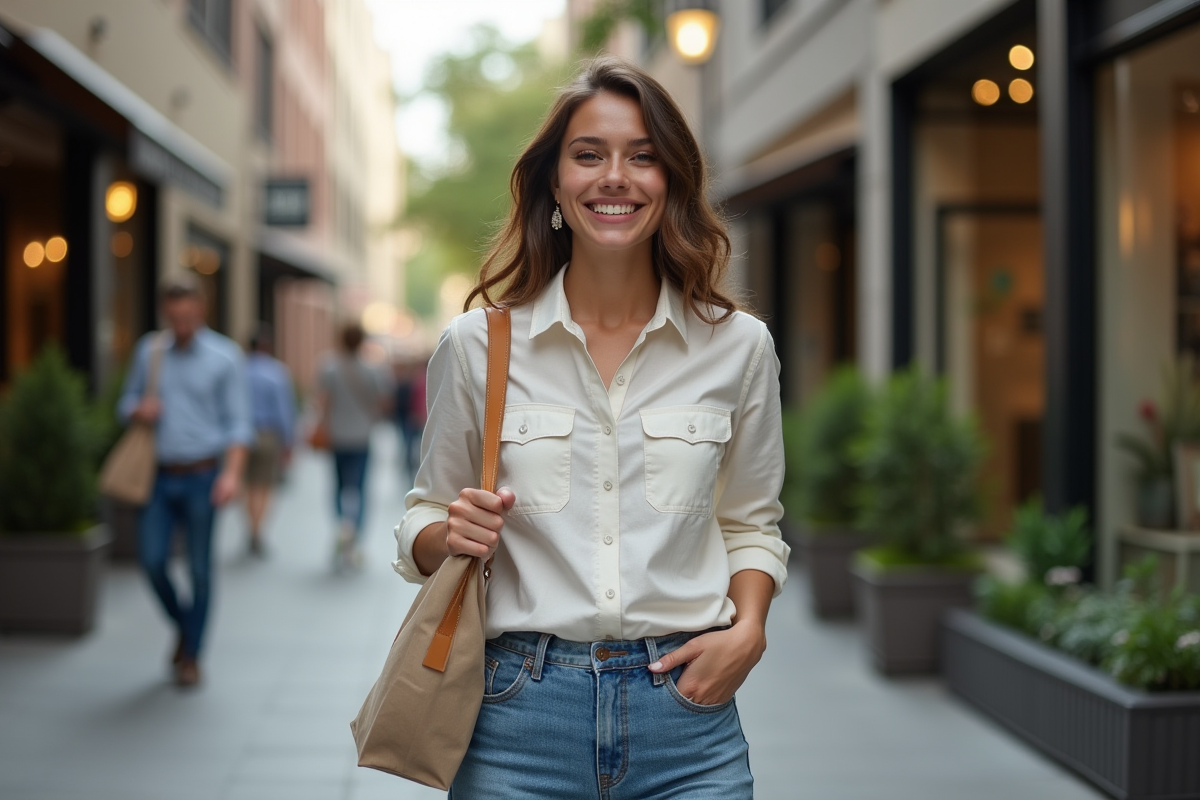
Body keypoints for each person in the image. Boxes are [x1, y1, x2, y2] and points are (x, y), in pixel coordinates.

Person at [393, 56, 789, 797]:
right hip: (515, 719)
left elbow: (751, 521)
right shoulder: (476, 346)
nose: (616, 176)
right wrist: (451, 532)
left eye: (643, 156)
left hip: (687, 720)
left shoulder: (737, 347)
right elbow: (421, 517)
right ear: (554, 182)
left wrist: (748, 632)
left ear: (671, 181)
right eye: (589, 155)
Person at [118, 274, 252, 688]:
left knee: (198, 570)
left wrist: (231, 475)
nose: (182, 322)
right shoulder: (150, 351)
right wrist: (139, 409)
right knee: (153, 561)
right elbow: (124, 403)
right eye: (174, 316)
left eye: (188, 314)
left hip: (203, 475)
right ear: (165, 312)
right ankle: (186, 628)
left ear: (201, 309)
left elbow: (239, 424)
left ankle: (191, 656)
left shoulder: (225, 357)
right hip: (158, 478)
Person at [316, 323, 389, 568]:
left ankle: (341, 525)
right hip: (361, 437)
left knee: (337, 486)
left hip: (337, 437)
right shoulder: (372, 370)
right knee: (359, 488)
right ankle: (353, 532)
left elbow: (323, 402)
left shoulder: (329, 367)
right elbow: (381, 403)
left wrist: (324, 425)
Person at [243, 324, 296, 556]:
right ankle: (258, 531)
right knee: (264, 486)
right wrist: (288, 441)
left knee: (247, 486)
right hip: (268, 434)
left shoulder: (239, 371)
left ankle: (251, 528)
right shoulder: (277, 372)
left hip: (243, 434)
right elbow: (284, 411)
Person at [391, 354, 428, 485]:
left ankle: (411, 469)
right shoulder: (423, 379)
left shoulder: (416, 380)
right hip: (418, 417)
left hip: (415, 418)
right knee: (418, 446)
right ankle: (414, 469)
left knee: (412, 445)